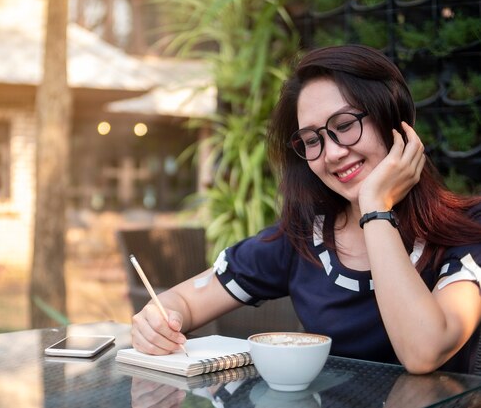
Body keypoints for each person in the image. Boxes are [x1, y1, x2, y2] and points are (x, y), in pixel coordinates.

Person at [131, 45, 481, 374]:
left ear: (394, 118)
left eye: (344, 126)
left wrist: (375, 209)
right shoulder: (305, 238)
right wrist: (158, 320)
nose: (332, 153)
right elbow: (184, 303)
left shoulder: (466, 230)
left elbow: (425, 350)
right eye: (313, 140)